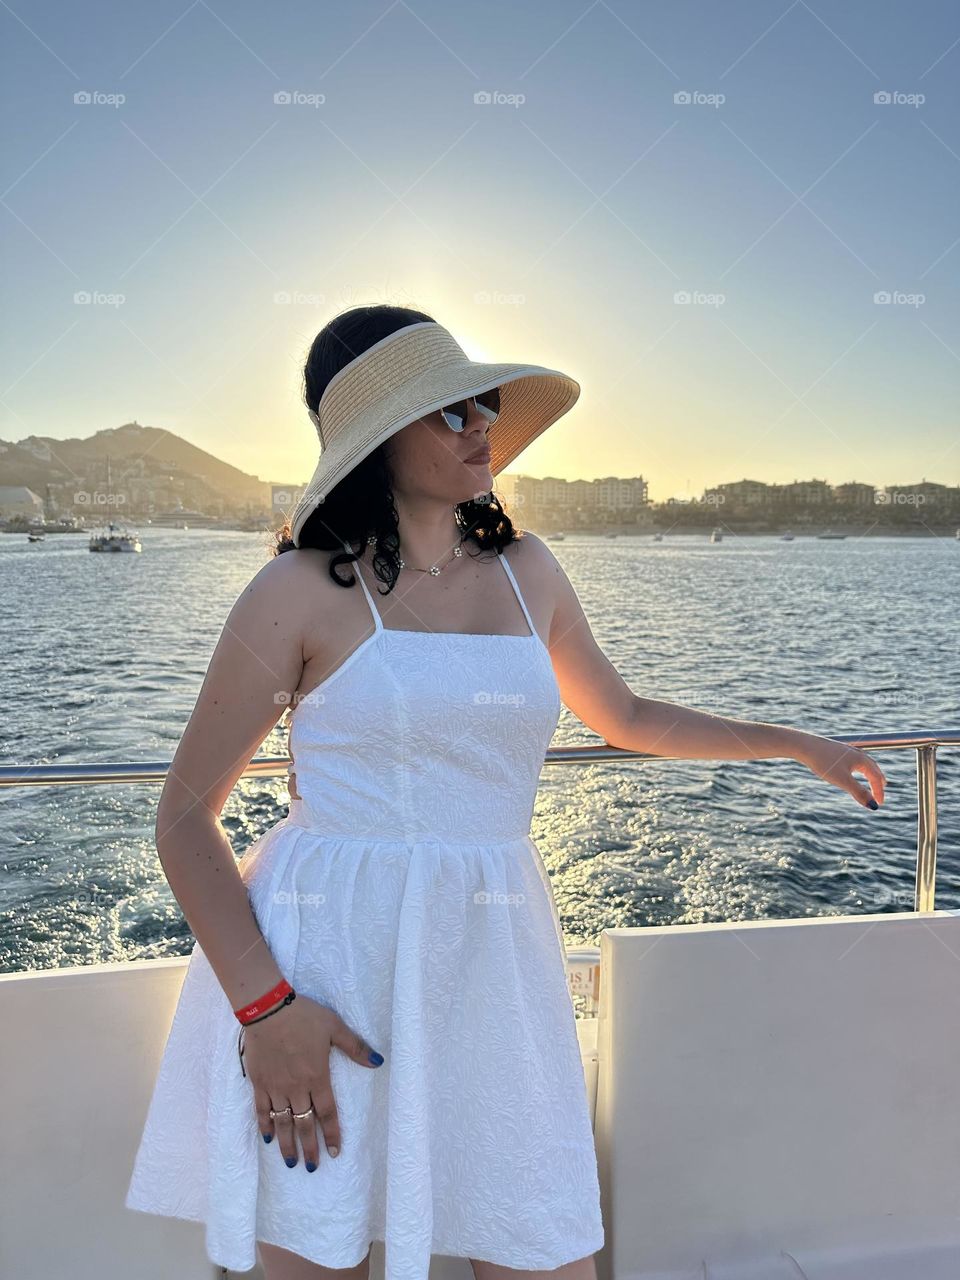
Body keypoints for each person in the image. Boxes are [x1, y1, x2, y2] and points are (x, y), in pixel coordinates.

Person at [124, 304, 886, 1280]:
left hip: (495, 955)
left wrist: (791, 742)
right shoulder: (299, 590)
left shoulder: (529, 571)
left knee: (541, 1238)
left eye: (483, 401)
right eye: (448, 410)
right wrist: (265, 1010)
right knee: (321, 1250)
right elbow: (185, 817)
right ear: (375, 439)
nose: (481, 420)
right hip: (326, 963)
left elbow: (626, 714)